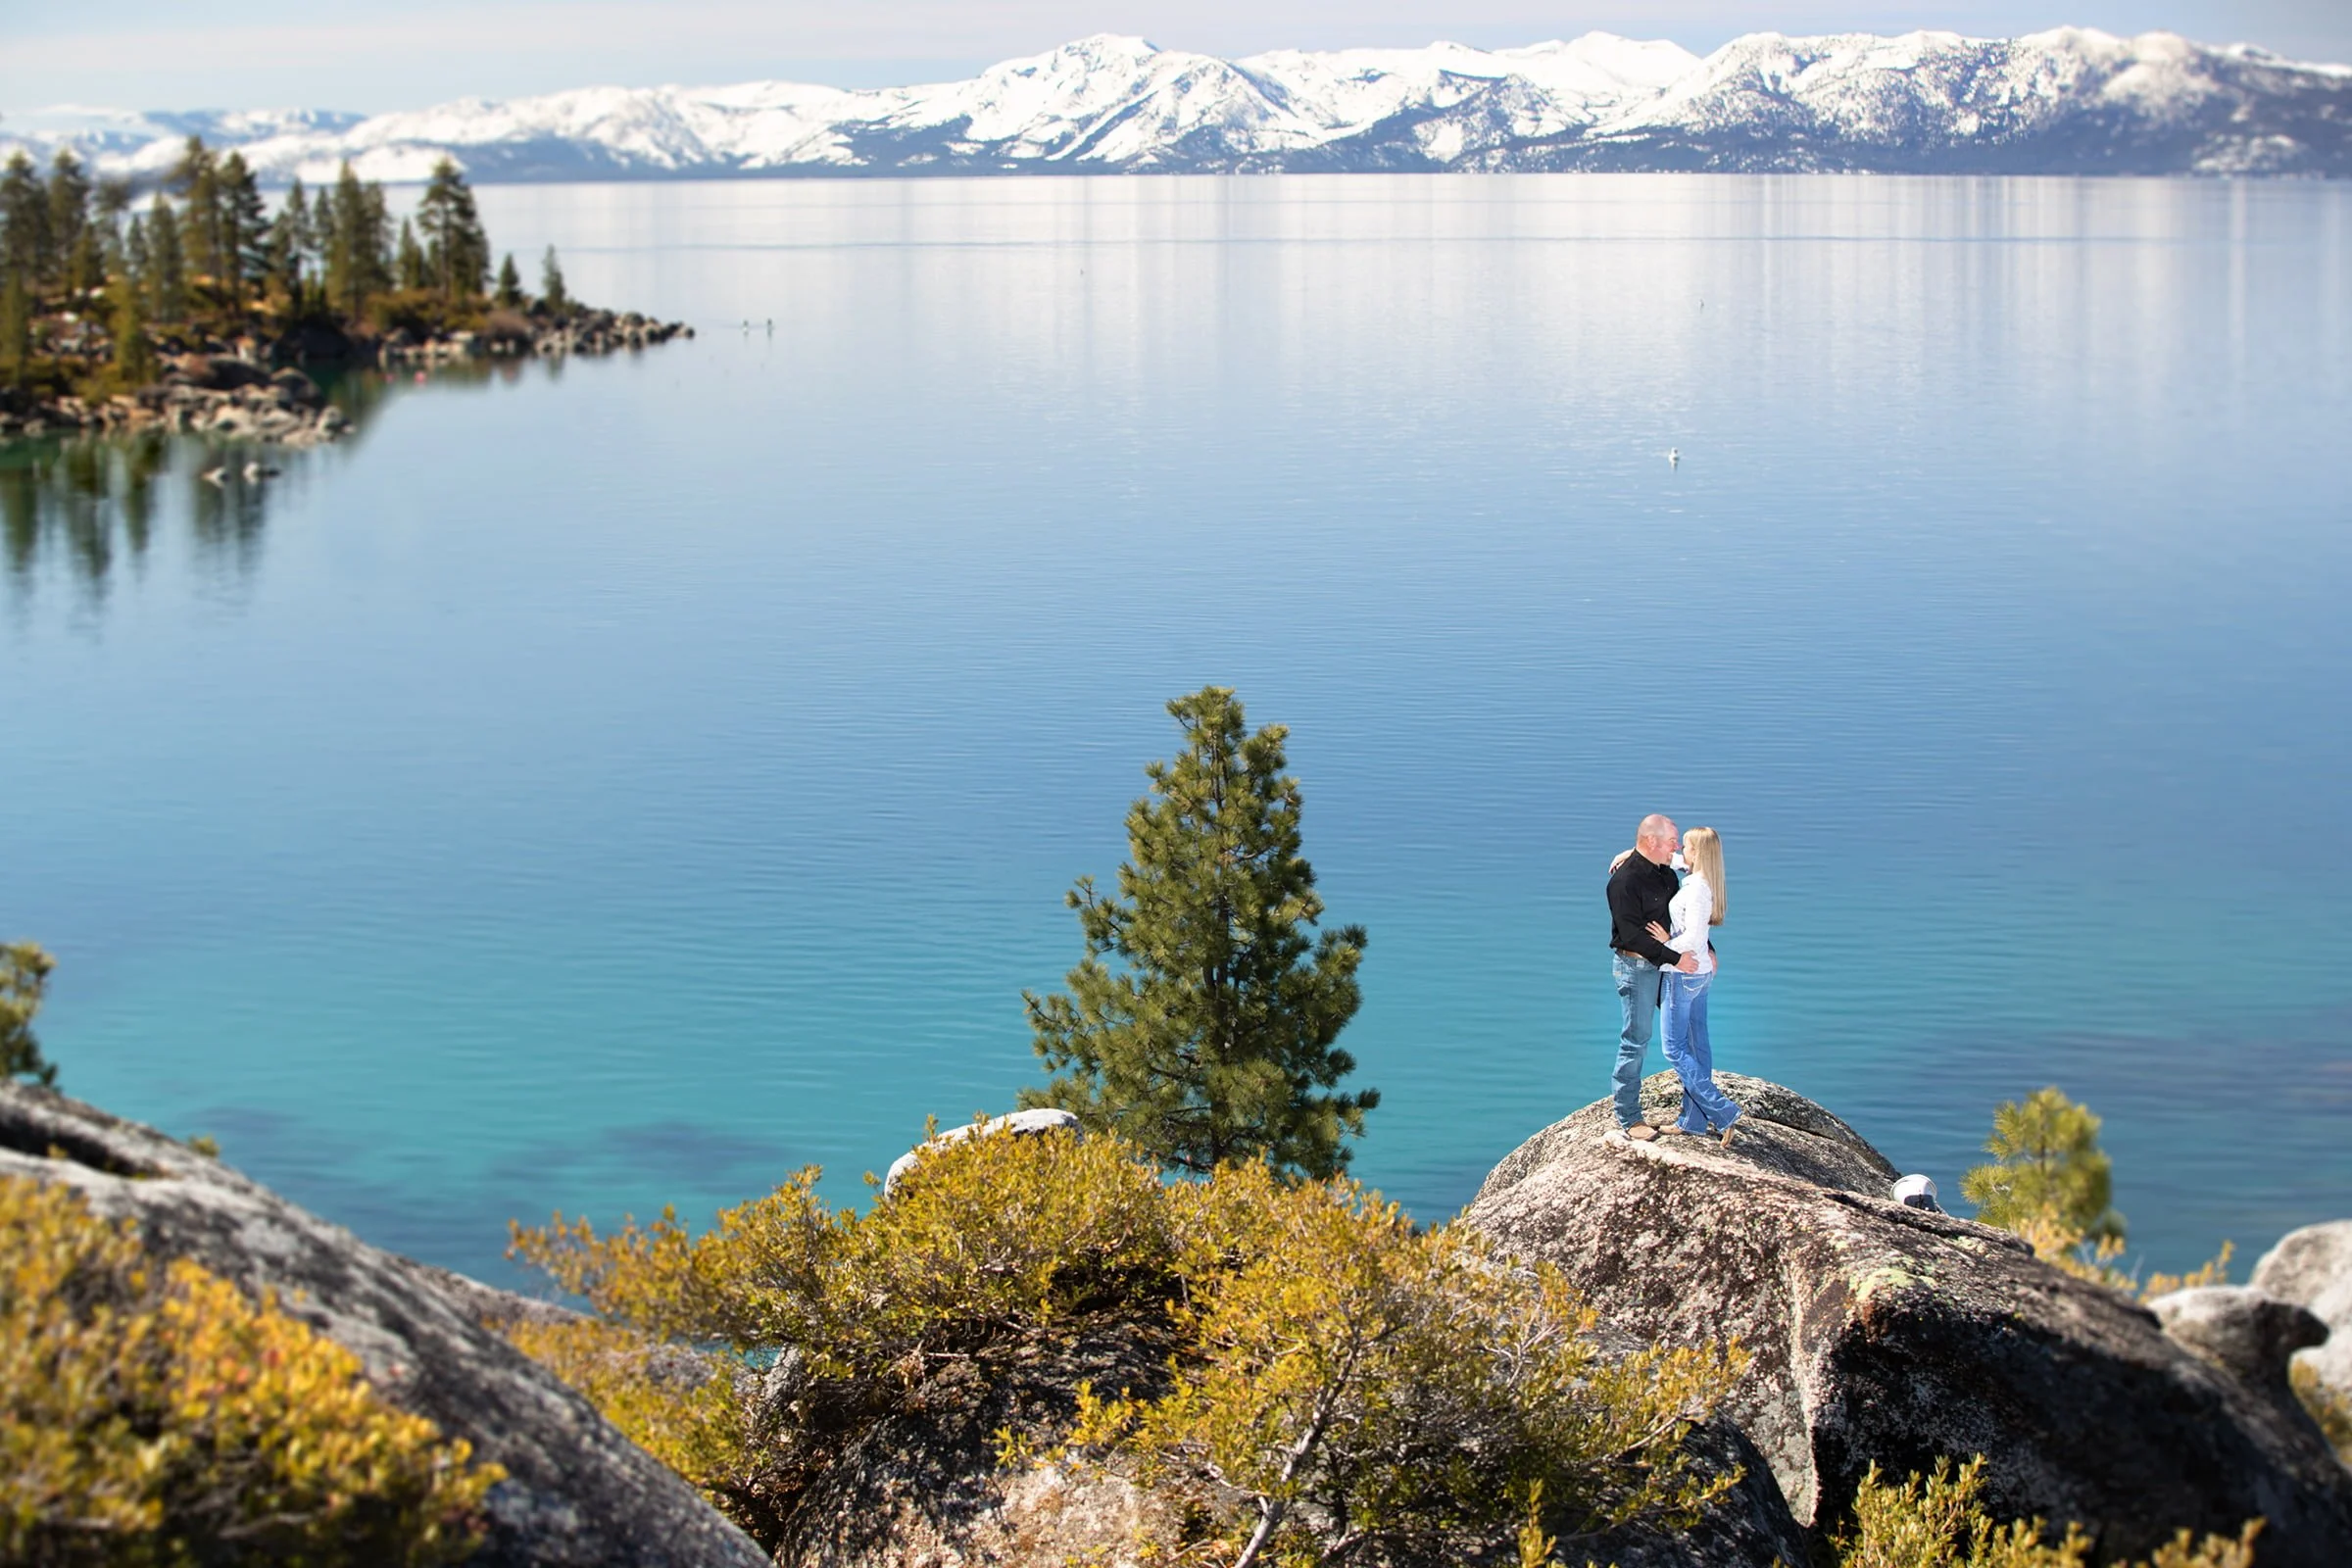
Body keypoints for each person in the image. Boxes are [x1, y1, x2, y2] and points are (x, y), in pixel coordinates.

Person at [1606, 814, 1699, 1141]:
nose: (1677, 849)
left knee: (1685, 1034)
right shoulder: (1624, 882)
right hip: (1638, 969)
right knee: (1636, 1040)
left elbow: (1681, 919)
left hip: (1668, 964)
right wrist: (1675, 958)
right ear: (1651, 842)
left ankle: (1695, 1114)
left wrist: (1706, 949)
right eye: (1672, 842)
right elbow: (1632, 936)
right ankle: (1629, 1118)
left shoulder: (1665, 872)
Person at [1650, 826, 1740, 1145]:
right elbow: (1675, 860)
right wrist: (1631, 854)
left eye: (1686, 847)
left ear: (1698, 853)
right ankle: (1693, 1120)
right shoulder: (1702, 881)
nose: (1681, 851)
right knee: (1698, 1047)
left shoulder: (1698, 890)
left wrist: (1666, 943)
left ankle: (1722, 1111)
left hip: (1683, 974)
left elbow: (1693, 938)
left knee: (1673, 1048)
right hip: (1699, 976)